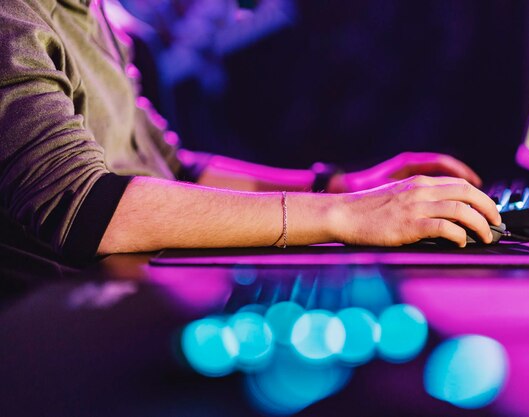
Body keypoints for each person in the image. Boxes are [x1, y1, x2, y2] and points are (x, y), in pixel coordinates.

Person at [0, 0, 501, 271]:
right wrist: (347, 216)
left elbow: (172, 168)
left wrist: (344, 187)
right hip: (59, 332)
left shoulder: (90, 12)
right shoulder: (13, 19)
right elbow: (86, 210)